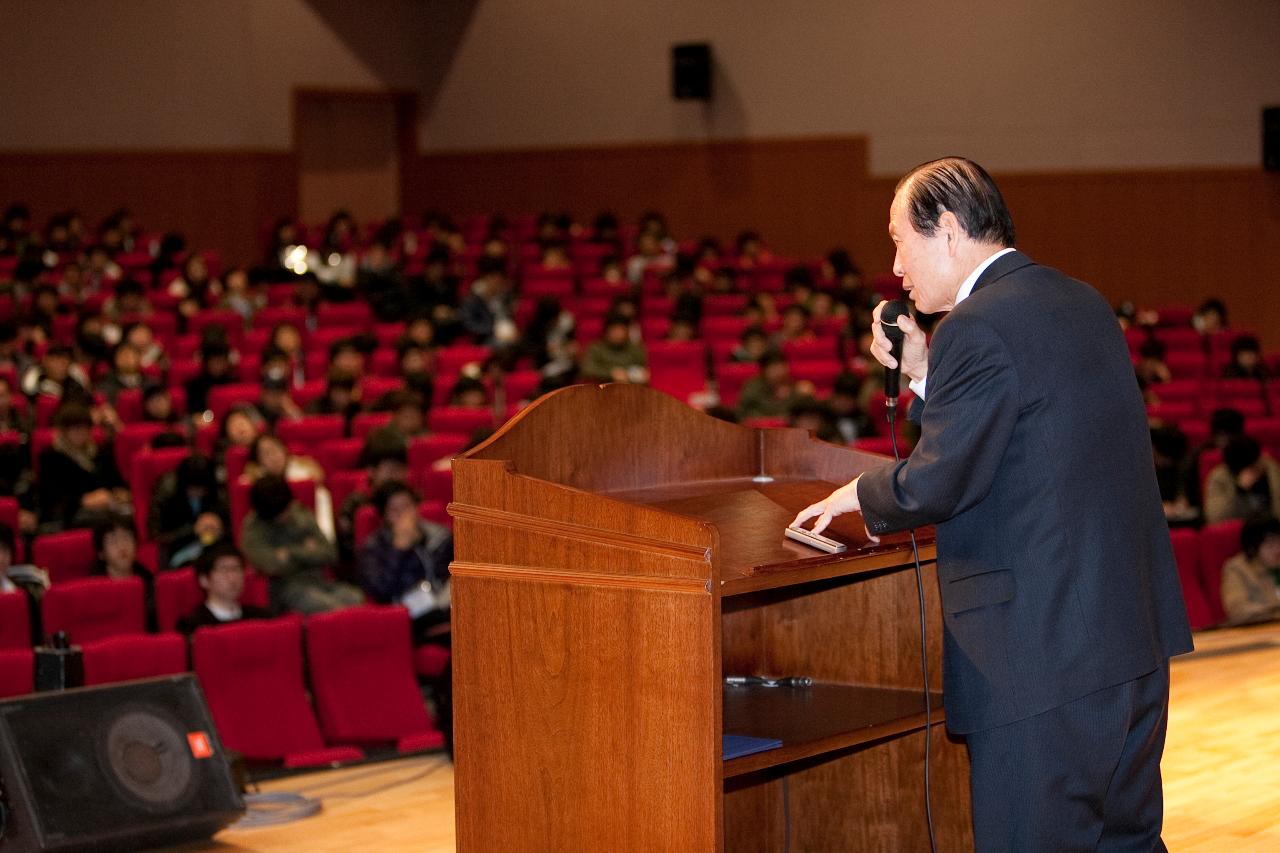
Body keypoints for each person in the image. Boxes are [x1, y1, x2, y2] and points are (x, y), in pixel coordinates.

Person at [791, 157, 1192, 851]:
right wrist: (923, 371)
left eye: (899, 239)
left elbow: (937, 481)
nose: (894, 267)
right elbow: (1024, 439)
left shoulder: (977, 326)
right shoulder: (1080, 301)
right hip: (1127, 647)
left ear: (946, 228)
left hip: (1038, 666)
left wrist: (856, 492)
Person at [239, 475, 362, 615]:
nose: (287, 514)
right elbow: (272, 566)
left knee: (357, 600)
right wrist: (307, 550)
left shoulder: (298, 512)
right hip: (286, 589)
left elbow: (329, 553)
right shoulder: (253, 530)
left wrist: (289, 553)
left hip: (319, 581)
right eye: (281, 513)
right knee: (331, 610)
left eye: (287, 508)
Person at [357, 480, 452, 641]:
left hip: (443, 604)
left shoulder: (439, 536)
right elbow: (381, 590)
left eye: (407, 506)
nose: (404, 515)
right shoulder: (373, 548)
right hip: (403, 615)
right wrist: (398, 550)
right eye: (395, 510)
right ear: (384, 516)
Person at [37, 402, 130, 532]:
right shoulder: (50, 457)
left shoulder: (99, 451)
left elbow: (115, 480)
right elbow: (50, 496)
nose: (81, 433)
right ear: (64, 431)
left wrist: (119, 492)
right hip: (72, 514)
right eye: (75, 429)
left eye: (85, 428)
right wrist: (83, 501)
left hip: (108, 506)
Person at [175, 540, 273, 633]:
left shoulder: (260, 619)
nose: (232, 577)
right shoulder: (193, 627)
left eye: (236, 569)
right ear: (204, 579)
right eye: (224, 570)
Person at [148, 453, 227, 568]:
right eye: (193, 489)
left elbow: (232, 527)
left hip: (214, 548)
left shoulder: (216, 492)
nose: (198, 493)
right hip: (180, 550)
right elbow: (156, 535)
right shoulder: (167, 494)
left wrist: (220, 527)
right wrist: (193, 529)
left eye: (202, 489)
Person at [91, 519, 156, 631]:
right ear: (101, 553)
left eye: (127, 538)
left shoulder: (150, 581)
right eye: (113, 541)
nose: (122, 546)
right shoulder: (93, 589)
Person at [1204, 435, 1280, 524]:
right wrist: (1240, 489)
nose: (1260, 462)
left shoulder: (1270, 469)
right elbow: (1216, 518)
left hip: (1273, 526)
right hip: (1242, 528)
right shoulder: (1219, 477)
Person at [1220, 515, 1280, 625]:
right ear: (1253, 547)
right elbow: (1238, 611)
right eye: (1270, 544)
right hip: (1259, 631)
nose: (1277, 549)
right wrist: (1274, 609)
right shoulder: (1237, 568)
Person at [581, 317, 649, 384]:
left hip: (629, 389)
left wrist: (627, 374)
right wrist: (611, 373)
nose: (619, 334)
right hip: (599, 389)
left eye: (622, 330)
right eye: (615, 330)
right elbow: (587, 370)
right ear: (607, 331)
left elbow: (642, 373)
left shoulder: (635, 349)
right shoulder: (595, 348)